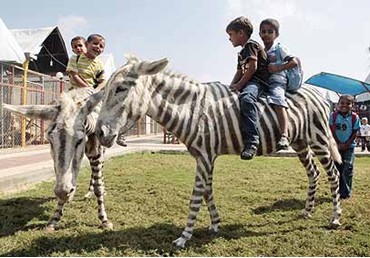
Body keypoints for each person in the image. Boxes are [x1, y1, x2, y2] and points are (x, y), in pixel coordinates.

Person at [226, 16, 270, 160]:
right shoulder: (241, 53)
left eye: (231, 35)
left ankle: (252, 141)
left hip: (257, 81)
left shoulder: (251, 45)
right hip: (248, 81)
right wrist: (231, 86)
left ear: (241, 33)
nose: (229, 39)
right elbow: (239, 72)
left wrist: (239, 85)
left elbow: (252, 68)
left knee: (246, 98)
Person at [259, 18, 300, 151]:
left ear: (276, 34)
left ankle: (284, 134)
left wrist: (278, 68)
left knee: (277, 99)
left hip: (277, 81)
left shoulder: (279, 48)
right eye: (263, 31)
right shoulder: (262, 50)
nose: (266, 34)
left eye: (270, 32)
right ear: (259, 34)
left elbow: (294, 62)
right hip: (264, 81)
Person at [329, 95, 360, 199]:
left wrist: (347, 144)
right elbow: (331, 130)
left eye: (348, 103)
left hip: (349, 147)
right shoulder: (333, 116)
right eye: (342, 103)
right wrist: (337, 143)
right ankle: (336, 191)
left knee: (347, 169)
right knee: (336, 170)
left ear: (352, 105)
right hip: (335, 147)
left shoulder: (355, 117)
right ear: (338, 104)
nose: (344, 105)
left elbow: (355, 131)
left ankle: (345, 193)